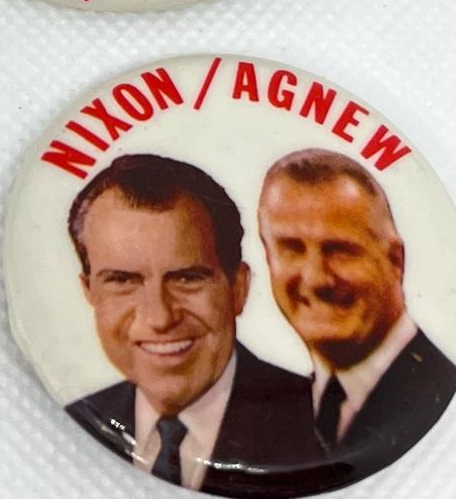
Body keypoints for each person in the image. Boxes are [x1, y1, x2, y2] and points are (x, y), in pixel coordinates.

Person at [65, 154, 321, 495]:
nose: (159, 318)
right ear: (90, 292)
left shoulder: (325, 430)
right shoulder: (67, 428)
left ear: (238, 288)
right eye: (123, 281)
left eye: (187, 278)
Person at [258, 149, 456, 488]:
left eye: (340, 249)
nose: (316, 278)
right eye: (291, 248)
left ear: (395, 261)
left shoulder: (440, 402)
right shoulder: (272, 417)